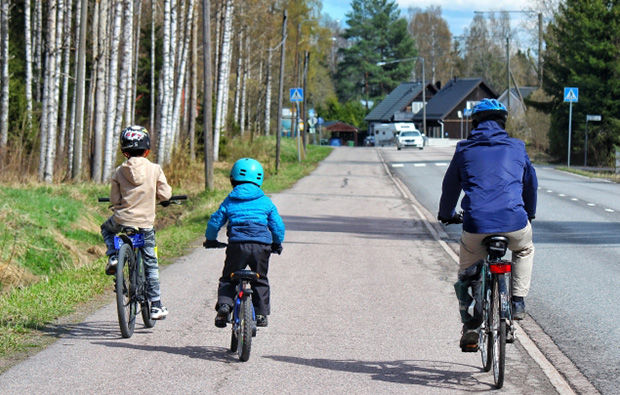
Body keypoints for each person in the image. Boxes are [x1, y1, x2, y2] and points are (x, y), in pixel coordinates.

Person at [437, 98, 538, 351]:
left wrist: (446, 214)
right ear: (503, 122)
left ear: (475, 123)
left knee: (468, 269)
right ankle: (517, 301)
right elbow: (531, 185)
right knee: (524, 249)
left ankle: (471, 326)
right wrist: (529, 213)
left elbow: (450, 188)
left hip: (477, 223)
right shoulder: (517, 147)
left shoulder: (464, 149)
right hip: (515, 222)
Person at [100, 125, 172, 320]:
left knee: (107, 230)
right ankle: (156, 304)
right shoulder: (155, 169)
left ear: (125, 152)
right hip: (145, 225)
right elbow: (165, 194)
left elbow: (115, 200)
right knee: (150, 262)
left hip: (123, 221)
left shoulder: (119, 171)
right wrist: (163, 199)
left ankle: (114, 255)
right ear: (147, 150)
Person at [204, 158, 285, 328]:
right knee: (260, 279)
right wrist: (277, 243)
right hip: (261, 246)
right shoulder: (265, 201)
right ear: (259, 179)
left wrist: (211, 239)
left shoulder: (230, 200)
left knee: (229, 278)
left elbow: (215, 221)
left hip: (237, 246)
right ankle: (261, 313)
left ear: (232, 178)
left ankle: (225, 305)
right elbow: (277, 226)